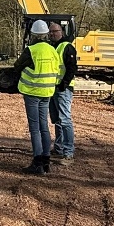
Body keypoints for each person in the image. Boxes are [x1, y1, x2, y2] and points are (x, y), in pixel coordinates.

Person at [11, 19, 61, 174]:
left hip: (32, 92)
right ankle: (46, 161)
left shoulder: (31, 50)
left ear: (33, 34)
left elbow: (17, 66)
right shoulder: (52, 50)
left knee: (34, 128)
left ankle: (37, 162)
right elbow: (57, 69)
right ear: (46, 34)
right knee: (44, 126)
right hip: (47, 92)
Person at [48, 22, 77, 164]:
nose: (52, 34)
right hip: (54, 88)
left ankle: (68, 151)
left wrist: (64, 84)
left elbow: (72, 68)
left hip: (63, 89)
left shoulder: (67, 46)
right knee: (58, 120)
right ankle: (59, 148)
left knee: (65, 120)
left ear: (62, 31)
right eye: (50, 32)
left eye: (55, 31)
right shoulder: (53, 47)